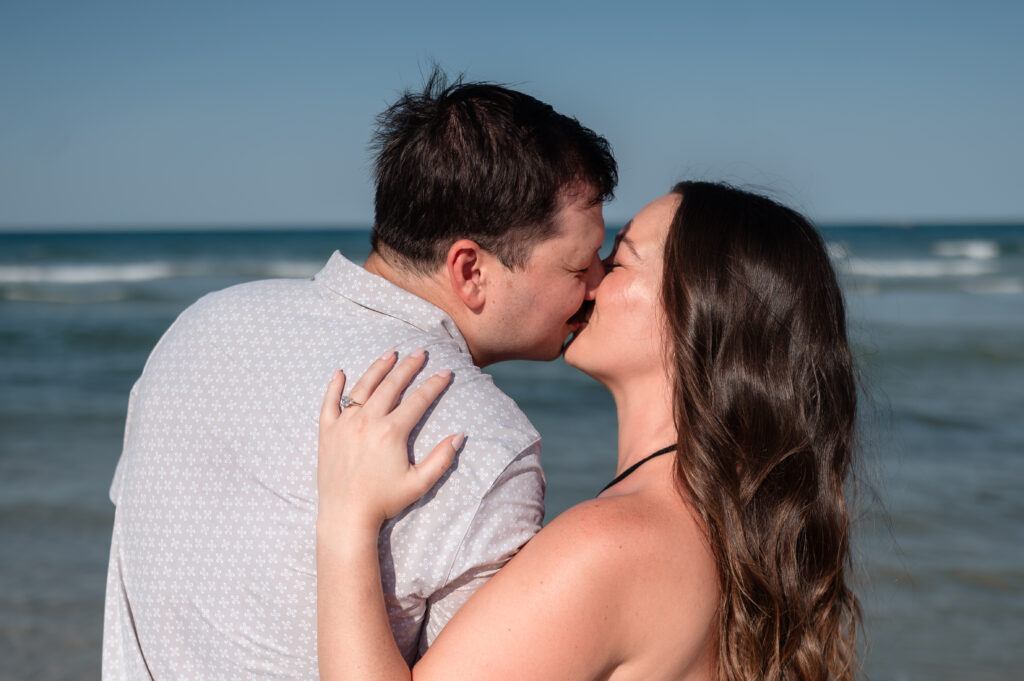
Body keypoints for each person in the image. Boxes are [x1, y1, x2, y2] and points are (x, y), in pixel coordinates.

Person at [101, 71, 616, 679]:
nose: (598, 285)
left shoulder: (200, 326)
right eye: (580, 266)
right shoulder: (478, 442)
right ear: (470, 270)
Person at [316, 181, 862, 681]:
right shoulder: (716, 524)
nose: (588, 275)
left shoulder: (614, 544)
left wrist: (347, 517)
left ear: (697, 312)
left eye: (619, 259)